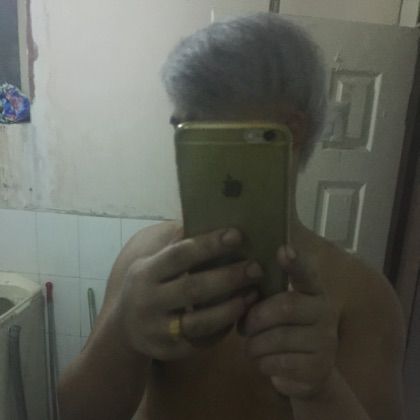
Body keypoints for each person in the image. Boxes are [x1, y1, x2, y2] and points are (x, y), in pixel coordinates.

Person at [57, 13, 406, 420]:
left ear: (291, 131)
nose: (200, 155)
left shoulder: (360, 295)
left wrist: (319, 388)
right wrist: (122, 334)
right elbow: (75, 413)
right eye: (186, 130)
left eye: (217, 129)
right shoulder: (147, 261)